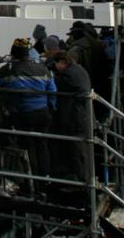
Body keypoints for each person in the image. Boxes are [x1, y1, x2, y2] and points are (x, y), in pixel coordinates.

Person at [0, 39, 56, 182]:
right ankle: (46, 177)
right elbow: (52, 90)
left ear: (14, 54)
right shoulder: (42, 68)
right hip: (43, 114)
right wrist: (51, 108)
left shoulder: (10, 69)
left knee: (28, 146)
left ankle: (33, 180)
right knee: (42, 145)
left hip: (23, 114)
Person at [51, 51, 92, 183]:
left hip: (75, 117)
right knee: (82, 148)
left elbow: (55, 85)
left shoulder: (68, 75)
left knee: (76, 149)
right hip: (84, 114)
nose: (56, 66)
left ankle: (80, 178)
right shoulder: (79, 69)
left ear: (62, 62)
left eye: (56, 63)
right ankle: (84, 177)